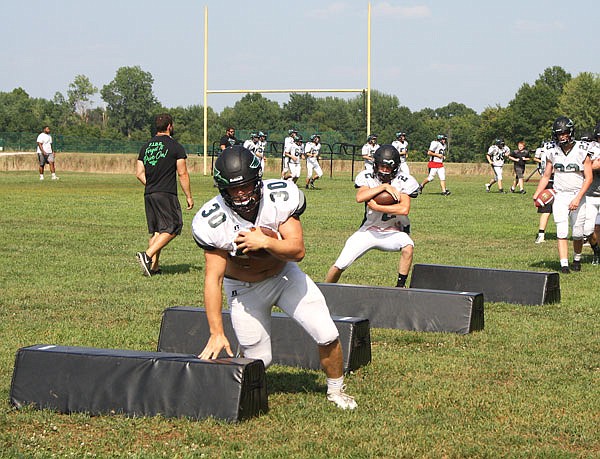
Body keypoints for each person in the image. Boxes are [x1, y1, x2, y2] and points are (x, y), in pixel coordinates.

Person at [191, 146, 357, 410]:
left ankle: (336, 391)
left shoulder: (280, 196)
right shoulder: (213, 220)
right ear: (223, 190)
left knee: (327, 333)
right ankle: (239, 388)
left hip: (284, 276)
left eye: (246, 186)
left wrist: (263, 242)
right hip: (245, 290)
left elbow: (297, 250)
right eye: (235, 190)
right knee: (260, 359)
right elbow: (213, 278)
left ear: (258, 180)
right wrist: (216, 331)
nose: (243, 195)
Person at [325, 145, 417, 288]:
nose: (385, 170)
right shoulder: (367, 176)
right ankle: (325, 291)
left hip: (392, 231)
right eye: (382, 166)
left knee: (408, 246)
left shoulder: (404, 180)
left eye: (388, 167)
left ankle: (400, 287)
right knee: (340, 264)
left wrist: (377, 207)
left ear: (396, 167)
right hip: (368, 231)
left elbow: (404, 209)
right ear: (375, 165)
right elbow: (360, 197)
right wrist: (383, 187)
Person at [135, 113, 194, 276]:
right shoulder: (175, 147)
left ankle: (153, 267)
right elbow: (182, 173)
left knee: (158, 231)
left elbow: (139, 173)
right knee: (174, 226)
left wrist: (152, 184)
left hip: (149, 193)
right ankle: (147, 255)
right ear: (170, 126)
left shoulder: (145, 146)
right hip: (166, 193)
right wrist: (188, 196)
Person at [533, 116, 592, 274]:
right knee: (561, 229)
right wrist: (538, 192)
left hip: (578, 194)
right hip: (560, 195)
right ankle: (564, 264)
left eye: (565, 133)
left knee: (578, 232)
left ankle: (577, 258)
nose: (563, 136)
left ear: (571, 132)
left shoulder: (582, 149)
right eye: (560, 134)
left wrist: (578, 197)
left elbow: (589, 177)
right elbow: (546, 175)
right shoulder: (552, 151)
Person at [582, 122, 600, 264]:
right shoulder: (591, 148)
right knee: (588, 230)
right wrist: (594, 166)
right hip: (591, 195)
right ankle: (596, 251)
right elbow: (585, 166)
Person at [532, 140, 554, 243]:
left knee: (546, 211)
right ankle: (583, 236)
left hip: (545, 182)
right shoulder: (555, 151)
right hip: (556, 182)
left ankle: (541, 234)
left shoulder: (544, 151)